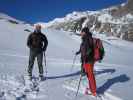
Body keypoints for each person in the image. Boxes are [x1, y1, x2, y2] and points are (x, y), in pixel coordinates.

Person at [76, 27, 97, 96]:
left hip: (88, 60)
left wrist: (86, 56)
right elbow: (83, 48)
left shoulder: (88, 39)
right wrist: (79, 52)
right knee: (89, 75)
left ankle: (93, 91)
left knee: (90, 75)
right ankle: (91, 88)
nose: (81, 33)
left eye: (82, 32)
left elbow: (90, 49)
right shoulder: (85, 39)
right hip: (87, 60)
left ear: (85, 32)